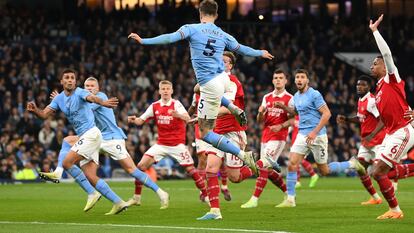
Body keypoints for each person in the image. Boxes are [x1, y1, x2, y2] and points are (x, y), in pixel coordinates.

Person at [128, 0, 274, 174]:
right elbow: (242, 49)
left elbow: (169, 38)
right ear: (217, 15)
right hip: (223, 80)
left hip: (210, 83)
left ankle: (243, 155)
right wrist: (260, 52)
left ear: (200, 13)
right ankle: (232, 106)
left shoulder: (191, 28)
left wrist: (144, 41)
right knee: (199, 89)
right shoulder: (222, 33)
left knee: (205, 134)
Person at [40, 77, 170, 210]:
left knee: (131, 169)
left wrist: (64, 99)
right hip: (97, 137)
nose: (89, 88)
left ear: (98, 88)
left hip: (112, 138)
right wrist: (63, 99)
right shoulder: (82, 97)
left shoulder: (100, 96)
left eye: (92, 86)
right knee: (76, 154)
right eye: (87, 86)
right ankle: (110, 199)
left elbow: (84, 107)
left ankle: (161, 193)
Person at [27, 68, 128, 215]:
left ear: (75, 81)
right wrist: (35, 110)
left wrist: (104, 102)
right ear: (61, 81)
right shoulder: (59, 99)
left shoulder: (80, 92)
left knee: (67, 159)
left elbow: (92, 98)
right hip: (86, 137)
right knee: (91, 176)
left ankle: (61, 175)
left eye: (72, 78)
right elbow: (44, 115)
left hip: (91, 134)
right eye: (66, 78)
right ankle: (119, 202)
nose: (70, 80)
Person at [275, 69, 365, 208]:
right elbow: (296, 112)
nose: (299, 79)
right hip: (302, 135)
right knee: (292, 163)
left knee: (324, 171)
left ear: (307, 80)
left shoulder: (314, 94)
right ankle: (290, 199)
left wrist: (314, 132)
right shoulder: (296, 97)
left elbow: (327, 114)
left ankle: (352, 164)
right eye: (297, 77)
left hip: (318, 136)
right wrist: (283, 107)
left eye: (302, 77)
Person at [127, 80, 208, 207]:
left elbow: (188, 118)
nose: (165, 91)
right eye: (163, 89)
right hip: (161, 144)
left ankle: (206, 195)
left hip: (177, 145)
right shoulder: (154, 106)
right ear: (159, 91)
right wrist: (134, 119)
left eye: (167, 89)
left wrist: (178, 115)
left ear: (171, 91)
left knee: (191, 171)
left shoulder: (176, 104)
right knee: (140, 166)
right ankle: (137, 197)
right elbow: (141, 120)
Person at [197, 51, 257, 220]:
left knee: (235, 177)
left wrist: (207, 113)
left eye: (225, 61)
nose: (221, 63)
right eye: (219, 60)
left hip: (233, 132)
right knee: (210, 168)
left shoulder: (232, 82)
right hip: (216, 132)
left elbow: (228, 108)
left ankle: (263, 163)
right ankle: (215, 211)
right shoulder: (212, 82)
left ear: (230, 65)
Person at [368, 15, 414, 219]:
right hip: (391, 133)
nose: (372, 66)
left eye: (375, 63)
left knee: (378, 172)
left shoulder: (391, 77)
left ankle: (395, 211)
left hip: (402, 131)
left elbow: (386, 53)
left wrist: (375, 31)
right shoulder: (378, 90)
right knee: (380, 172)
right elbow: (399, 105)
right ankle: (394, 209)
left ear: (385, 68)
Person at [241, 69, 292, 208]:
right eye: (276, 78)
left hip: (278, 137)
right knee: (268, 171)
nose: (278, 80)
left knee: (262, 165)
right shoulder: (266, 97)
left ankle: (254, 199)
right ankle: (289, 196)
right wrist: (260, 113)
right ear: (272, 80)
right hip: (265, 136)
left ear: (286, 81)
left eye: (281, 78)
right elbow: (259, 120)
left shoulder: (290, 98)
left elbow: (294, 119)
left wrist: (281, 125)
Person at [337, 75, 386, 205]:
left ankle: (393, 201)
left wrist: (373, 134)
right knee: (360, 168)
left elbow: (382, 119)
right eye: (358, 84)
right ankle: (375, 198)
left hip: (378, 141)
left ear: (369, 87)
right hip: (366, 142)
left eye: (363, 85)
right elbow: (360, 118)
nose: (360, 87)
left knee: (381, 171)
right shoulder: (361, 100)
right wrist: (347, 119)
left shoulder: (371, 101)